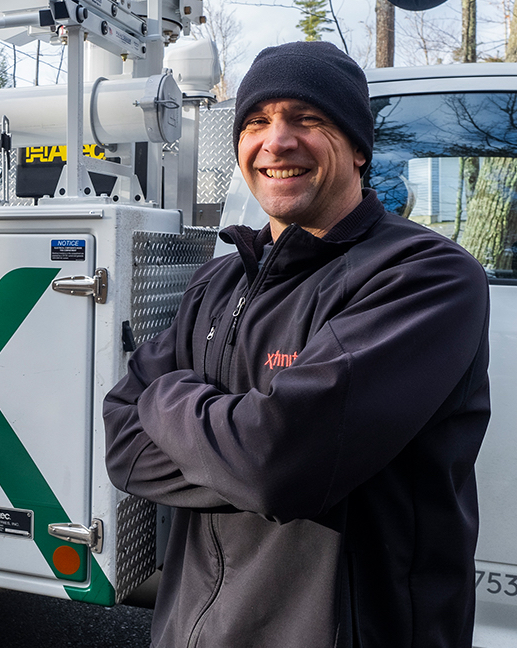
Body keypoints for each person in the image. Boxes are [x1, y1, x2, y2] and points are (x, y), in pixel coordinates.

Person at [104, 41, 490, 647]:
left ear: (359, 149)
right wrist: (239, 444)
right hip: (193, 631)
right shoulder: (220, 279)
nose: (276, 141)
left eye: (307, 119)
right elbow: (123, 447)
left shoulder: (423, 275)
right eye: (257, 121)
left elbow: (275, 465)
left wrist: (166, 396)